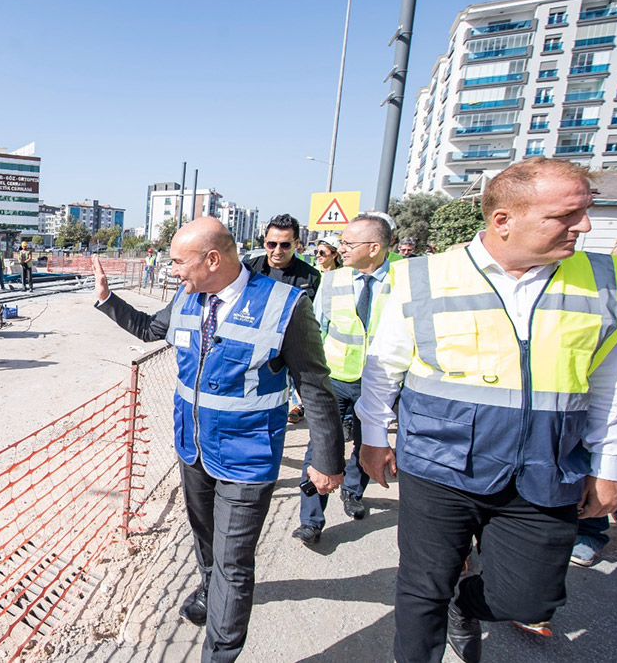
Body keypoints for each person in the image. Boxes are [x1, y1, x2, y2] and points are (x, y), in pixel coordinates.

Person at [355, 158, 617, 663]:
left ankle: (467, 603)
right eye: (566, 215)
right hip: (440, 464)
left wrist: (609, 465)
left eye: (584, 212)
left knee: (529, 598)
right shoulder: (424, 277)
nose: (583, 226)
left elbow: (611, 385)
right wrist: (373, 436)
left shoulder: (604, 281)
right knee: (421, 588)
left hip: (546, 468)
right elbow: (383, 367)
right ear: (504, 220)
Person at [93, 216, 345, 662]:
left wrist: (326, 456)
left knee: (233, 562)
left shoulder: (284, 305)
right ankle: (210, 592)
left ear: (212, 259)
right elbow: (153, 330)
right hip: (193, 450)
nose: (171, 270)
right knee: (206, 541)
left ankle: (219, 652)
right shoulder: (188, 297)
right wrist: (109, 300)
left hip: (247, 458)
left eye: (177, 261)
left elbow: (314, 385)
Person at [292, 216, 393, 547]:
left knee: (367, 444)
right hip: (333, 378)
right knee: (320, 445)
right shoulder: (333, 281)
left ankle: (353, 491)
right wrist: (307, 380)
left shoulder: (401, 283)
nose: (341, 249)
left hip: (377, 382)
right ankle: (311, 520)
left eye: (348, 244)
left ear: (374, 248)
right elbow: (317, 328)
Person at [245, 214, 321, 424]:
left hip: (290, 348)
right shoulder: (248, 269)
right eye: (271, 244)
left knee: (279, 399)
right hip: (253, 347)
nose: (277, 251)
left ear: (297, 244)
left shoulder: (310, 276)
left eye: (285, 245)